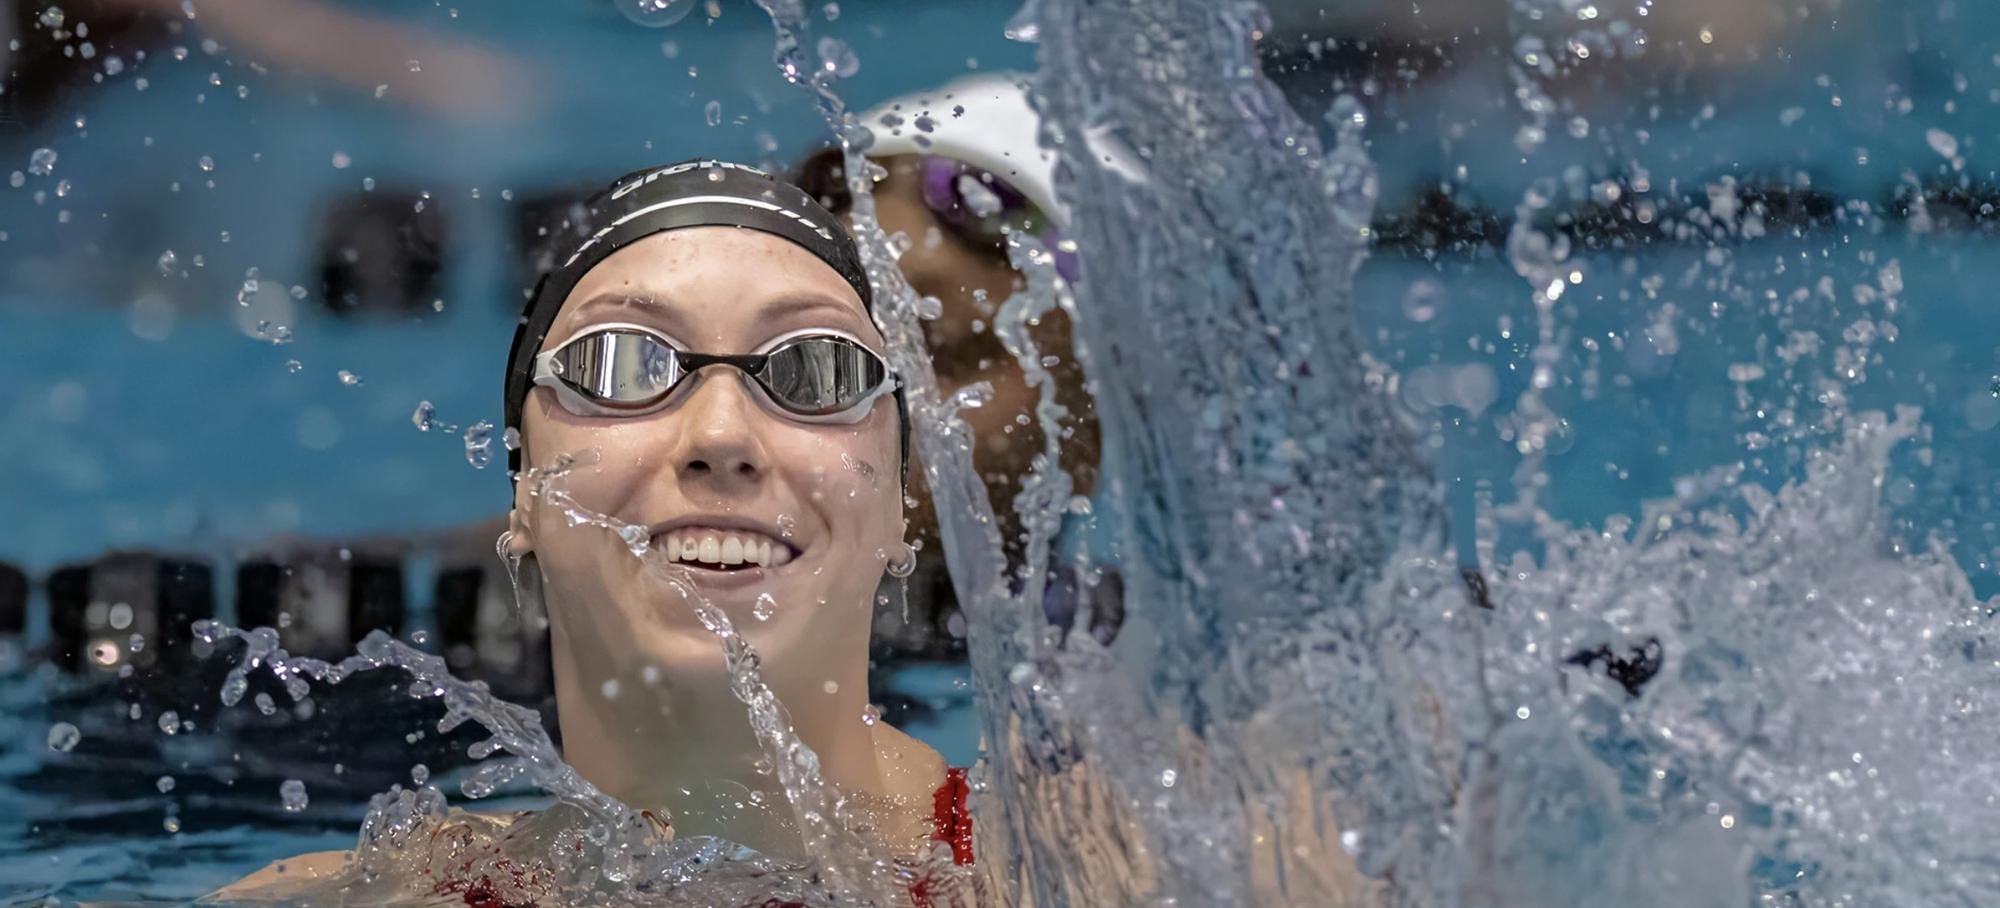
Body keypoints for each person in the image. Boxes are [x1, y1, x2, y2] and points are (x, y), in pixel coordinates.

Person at [213, 160, 974, 903]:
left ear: (899, 503)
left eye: (819, 367)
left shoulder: (1064, 852)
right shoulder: (368, 896)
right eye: (619, 363)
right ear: (524, 497)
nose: (721, 434)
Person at [792, 73, 1123, 652]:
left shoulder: (1128, 673)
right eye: (820, 349)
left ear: (1089, 436)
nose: (862, 400)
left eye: (942, 358)